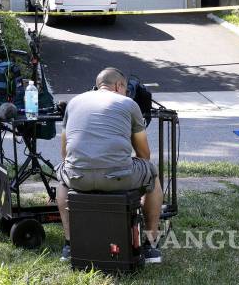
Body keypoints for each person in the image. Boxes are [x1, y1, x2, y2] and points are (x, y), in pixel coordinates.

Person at [55, 68, 163, 264]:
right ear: (119, 86)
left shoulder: (74, 103)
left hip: (78, 178)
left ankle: (70, 245)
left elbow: (65, 153)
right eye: (125, 89)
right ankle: (150, 244)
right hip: (118, 177)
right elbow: (144, 155)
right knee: (152, 175)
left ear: (98, 85)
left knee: (63, 177)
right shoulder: (128, 103)